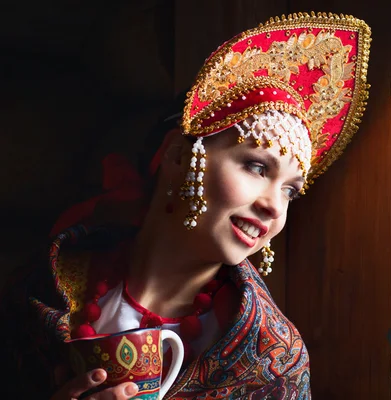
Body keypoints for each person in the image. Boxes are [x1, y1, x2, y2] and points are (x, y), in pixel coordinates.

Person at [0, 12, 371, 399]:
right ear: (178, 154)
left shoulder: (275, 361)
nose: (274, 206)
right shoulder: (45, 288)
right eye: (257, 167)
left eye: (291, 191)